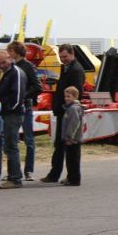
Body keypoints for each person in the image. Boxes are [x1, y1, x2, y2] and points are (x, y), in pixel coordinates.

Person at [41, 44, 85, 182]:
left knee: (71, 146)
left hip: (68, 111)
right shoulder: (66, 67)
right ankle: (56, 174)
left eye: (65, 56)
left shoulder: (76, 70)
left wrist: (68, 106)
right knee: (60, 146)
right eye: (61, 57)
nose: (63, 59)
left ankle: (72, 177)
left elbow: (75, 92)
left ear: (72, 54)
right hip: (63, 111)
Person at [0, 50, 26, 189]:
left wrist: (3, 109)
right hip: (3, 113)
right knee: (7, 145)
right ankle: (12, 175)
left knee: (11, 146)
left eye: (3, 62)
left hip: (12, 114)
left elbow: (17, 97)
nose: (1, 65)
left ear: (10, 58)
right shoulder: (0, 73)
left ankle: (15, 178)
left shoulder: (16, 73)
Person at [7, 41, 42, 181]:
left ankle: (28, 171)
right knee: (12, 140)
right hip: (12, 108)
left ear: (16, 51)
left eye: (10, 51)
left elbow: (37, 87)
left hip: (25, 106)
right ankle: (13, 171)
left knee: (28, 140)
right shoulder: (11, 66)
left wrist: (22, 96)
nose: (8, 53)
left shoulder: (29, 66)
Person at [60, 86, 84, 185]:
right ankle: (70, 177)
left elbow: (74, 124)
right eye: (65, 96)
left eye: (69, 96)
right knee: (69, 159)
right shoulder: (69, 108)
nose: (66, 98)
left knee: (73, 160)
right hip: (70, 138)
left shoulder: (73, 109)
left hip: (73, 139)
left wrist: (70, 137)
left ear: (75, 97)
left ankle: (74, 179)